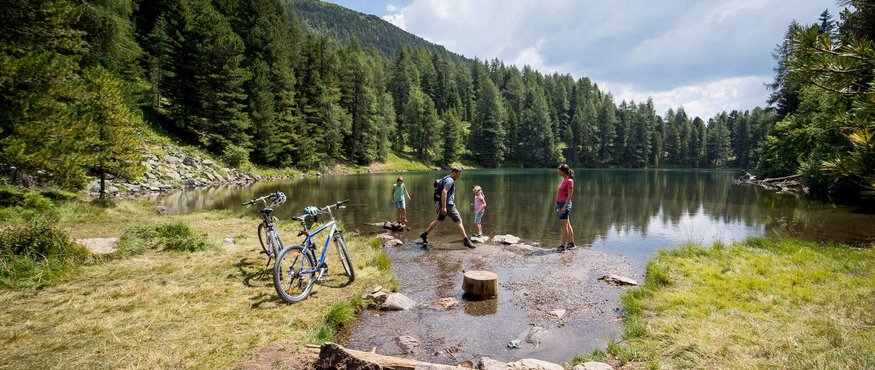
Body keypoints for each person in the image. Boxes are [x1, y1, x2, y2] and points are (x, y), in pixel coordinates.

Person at [420, 167, 475, 248]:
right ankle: (466, 240)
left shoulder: (445, 178)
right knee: (459, 221)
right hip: (448, 205)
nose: (458, 177)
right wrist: (444, 207)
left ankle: (424, 234)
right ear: (454, 172)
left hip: (443, 204)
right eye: (458, 174)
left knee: (438, 220)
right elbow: (444, 192)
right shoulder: (450, 180)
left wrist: (442, 206)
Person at [555, 164, 576, 252]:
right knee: (567, 225)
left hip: (564, 204)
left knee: (564, 226)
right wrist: (557, 204)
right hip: (560, 203)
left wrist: (564, 207)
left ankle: (562, 246)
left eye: (560, 170)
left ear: (564, 171)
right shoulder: (564, 180)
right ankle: (571, 243)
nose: (558, 172)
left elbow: (570, 195)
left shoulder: (569, 181)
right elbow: (560, 193)